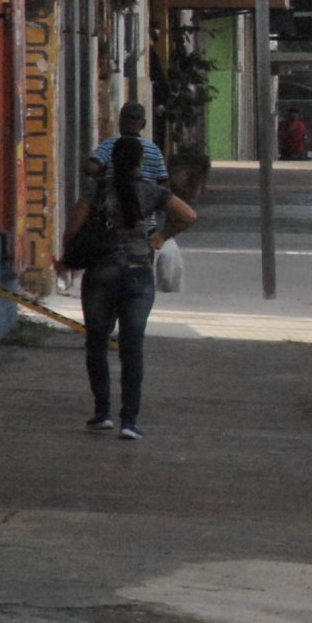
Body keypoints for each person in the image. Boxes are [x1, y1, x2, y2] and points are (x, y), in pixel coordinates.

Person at [58, 135, 195, 439]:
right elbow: (188, 215)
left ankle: (102, 413)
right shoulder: (151, 191)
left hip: (101, 275)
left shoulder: (96, 191)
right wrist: (160, 237)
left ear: (110, 161)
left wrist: (67, 261)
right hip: (138, 277)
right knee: (133, 350)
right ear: (140, 163)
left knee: (96, 343)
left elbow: (73, 227)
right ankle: (129, 422)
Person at [92, 100, 168, 187]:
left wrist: (100, 181)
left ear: (120, 121)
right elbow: (163, 182)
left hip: (113, 197)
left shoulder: (109, 144)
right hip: (146, 199)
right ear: (143, 124)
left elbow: (91, 167)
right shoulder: (154, 150)